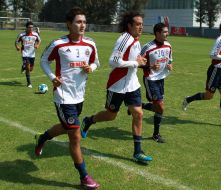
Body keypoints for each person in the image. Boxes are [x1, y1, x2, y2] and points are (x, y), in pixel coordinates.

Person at [36, 7, 100, 189]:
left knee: (67, 128)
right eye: (78, 22)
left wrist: (91, 68)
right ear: (69, 24)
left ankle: (43, 138)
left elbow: (96, 62)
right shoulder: (58, 44)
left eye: (84, 22)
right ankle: (84, 177)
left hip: (79, 96)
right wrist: (53, 78)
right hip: (63, 96)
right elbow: (43, 60)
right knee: (75, 135)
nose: (82, 25)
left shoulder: (90, 44)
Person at [80, 11, 152, 163]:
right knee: (111, 115)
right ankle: (89, 120)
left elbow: (133, 60)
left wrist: (140, 61)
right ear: (129, 25)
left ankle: (138, 152)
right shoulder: (124, 39)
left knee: (138, 114)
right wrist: (135, 63)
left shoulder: (136, 39)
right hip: (117, 85)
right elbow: (113, 61)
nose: (141, 27)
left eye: (142, 24)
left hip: (132, 84)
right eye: (138, 24)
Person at [182, 20, 221, 129]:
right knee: (209, 96)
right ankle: (188, 99)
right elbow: (212, 55)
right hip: (215, 71)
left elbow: (220, 55)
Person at [139, 22, 173, 143]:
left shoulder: (168, 45)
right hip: (150, 79)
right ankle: (156, 134)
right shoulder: (148, 47)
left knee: (157, 107)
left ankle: (139, 105)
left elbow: (170, 59)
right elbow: (138, 63)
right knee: (160, 107)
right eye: (164, 32)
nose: (167, 33)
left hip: (161, 79)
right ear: (157, 33)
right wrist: (150, 66)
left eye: (167, 31)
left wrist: (169, 65)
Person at [15, 21, 41, 88]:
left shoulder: (35, 34)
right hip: (25, 53)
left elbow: (39, 40)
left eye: (32, 27)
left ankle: (23, 66)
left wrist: (37, 45)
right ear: (26, 28)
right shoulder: (21, 35)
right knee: (28, 68)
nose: (31, 29)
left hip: (32, 54)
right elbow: (16, 41)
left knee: (31, 69)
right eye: (29, 27)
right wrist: (17, 47)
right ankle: (29, 83)